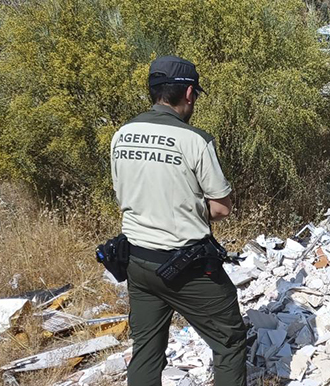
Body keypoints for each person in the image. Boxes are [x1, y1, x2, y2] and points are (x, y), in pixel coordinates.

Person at [110, 55, 246, 386]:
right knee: (229, 341)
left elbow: (124, 196)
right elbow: (221, 208)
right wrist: (188, 209)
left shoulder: (122, 134)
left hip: (137, 263)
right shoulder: (195, 140)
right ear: (188, 93)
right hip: (186, 268)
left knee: (146, 351)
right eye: (195, 94)